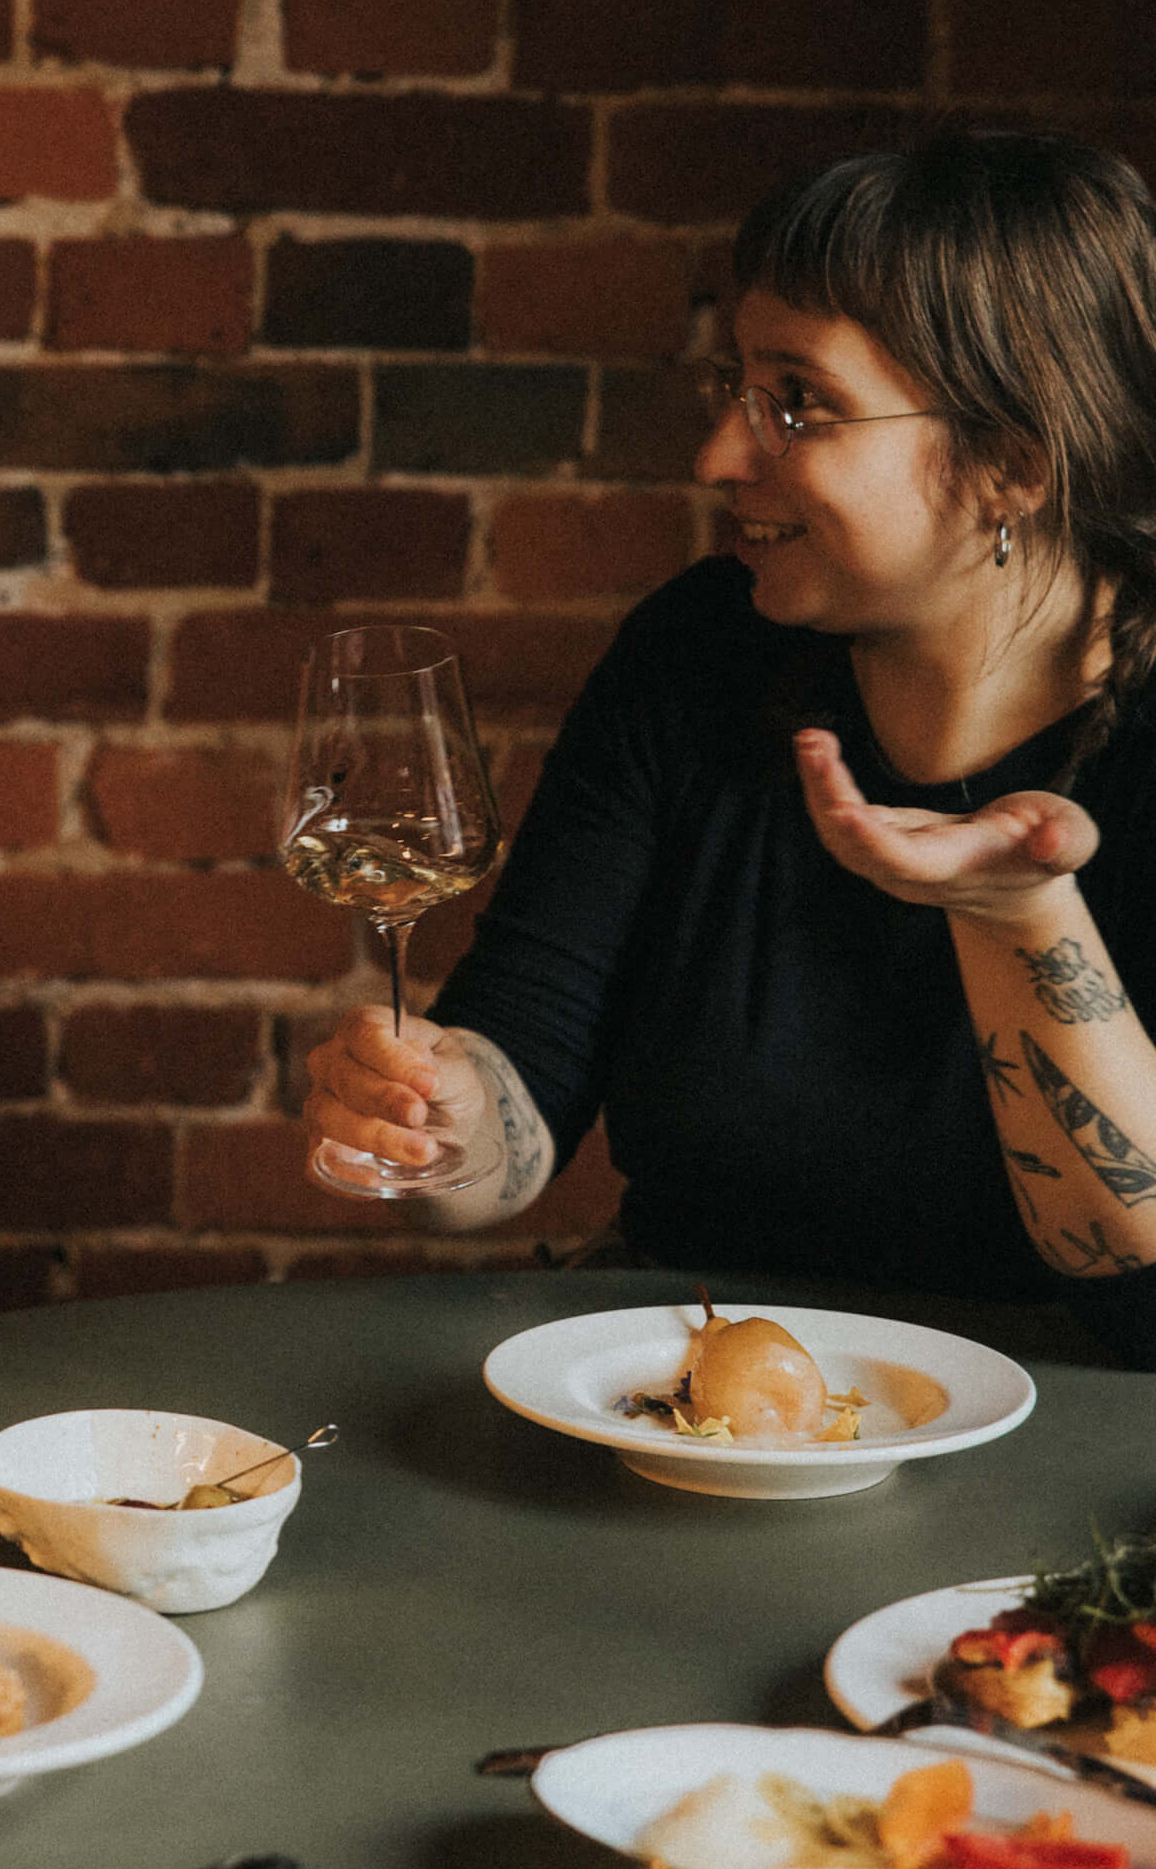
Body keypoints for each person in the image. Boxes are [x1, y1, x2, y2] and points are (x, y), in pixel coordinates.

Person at [303, 125, 1156, 1362]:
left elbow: (1134, 1288)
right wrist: (429, 1118)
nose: (718, 455)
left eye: (798, 403)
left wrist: (1016, 916)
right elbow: (520, 1101)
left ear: (1008, 467)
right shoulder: (697, 653)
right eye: (734, 391)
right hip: (674, 1397)